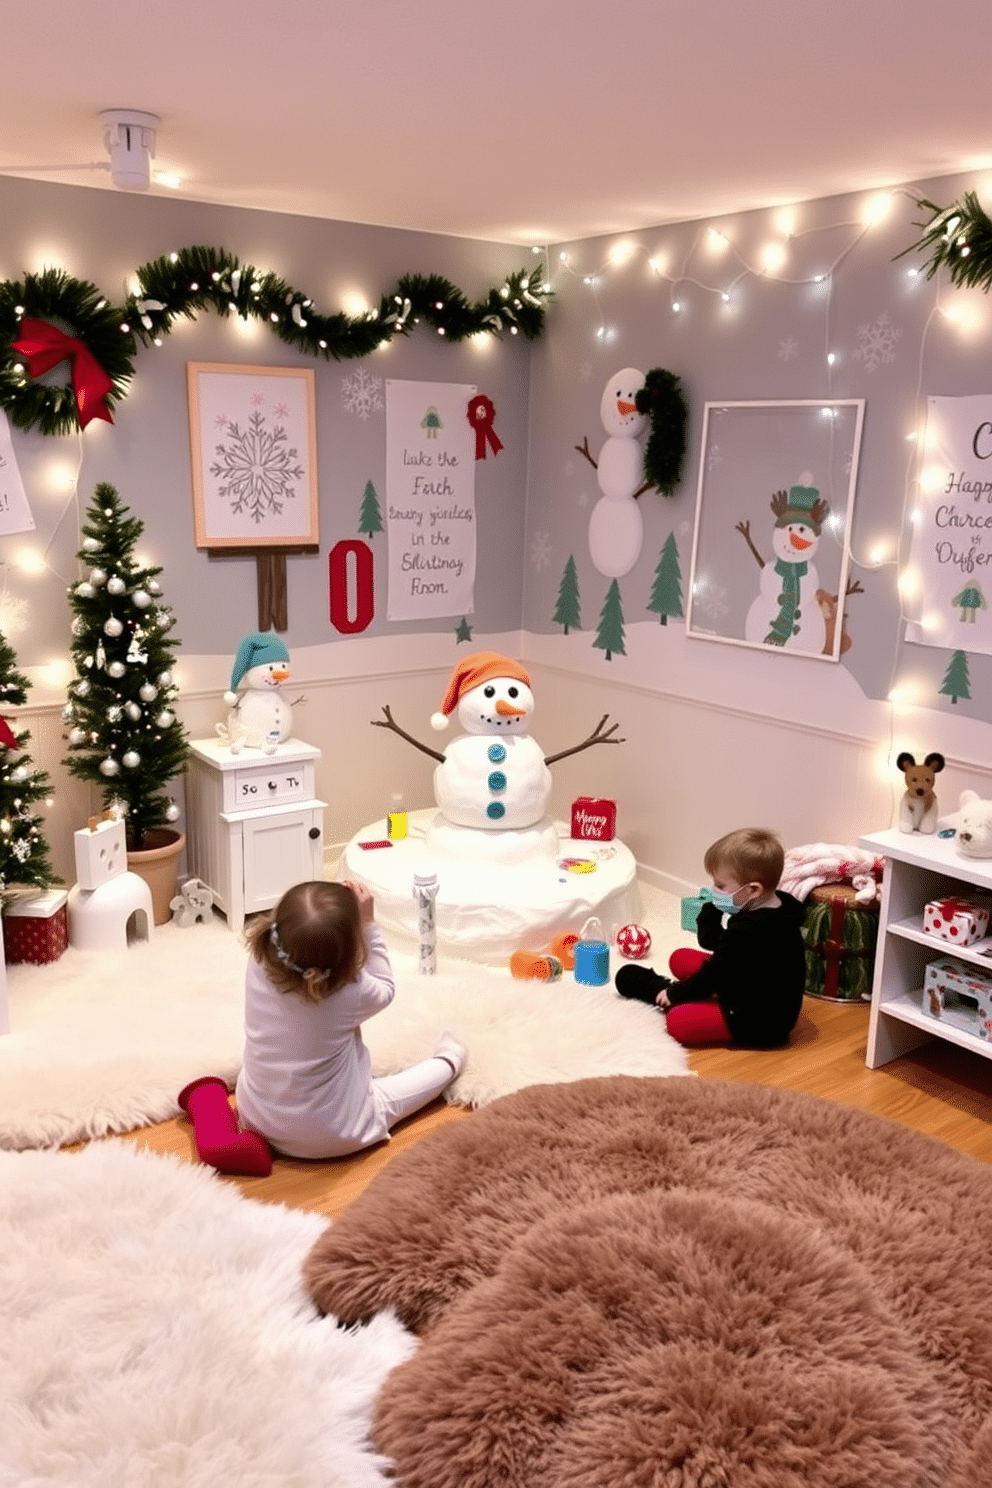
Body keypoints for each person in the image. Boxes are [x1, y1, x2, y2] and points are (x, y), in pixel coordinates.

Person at [234, 878, 466, 1159]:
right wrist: (369, 922)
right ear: (346, 953)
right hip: (331, 1134)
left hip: (257, 1116)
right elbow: (386, 986)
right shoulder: (351, 991)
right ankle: (452, 1059)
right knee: (405, 1089)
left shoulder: (258, 960)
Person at [615, 827, 806, 1048]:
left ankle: (662, 991)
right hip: (762, 994)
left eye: (720, 886)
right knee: (681, 958)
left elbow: (715, 966)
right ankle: (686, 992)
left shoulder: (748, 930)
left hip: (757, 1022)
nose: (713, 890)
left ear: (753, 890)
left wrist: (675, 993)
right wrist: (716, 906)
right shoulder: (782, 909)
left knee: (679, 1022)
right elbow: (721, 947)